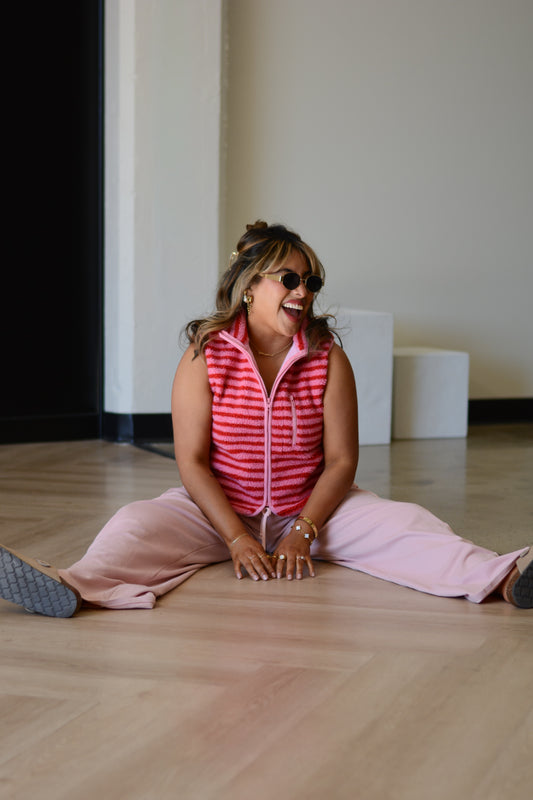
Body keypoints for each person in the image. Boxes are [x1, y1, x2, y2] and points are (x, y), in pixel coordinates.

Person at [0, 221, 531, 617]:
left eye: (312, 282)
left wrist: (303, 529)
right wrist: (235, 537)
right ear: (250, 285)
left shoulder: (327, 358)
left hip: (314, 512)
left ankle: (506, 576)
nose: (304, 292)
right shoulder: (206, 355)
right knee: (134, 524)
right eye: (290, 278)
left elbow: (342, 461)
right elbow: (192, 461)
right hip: (217, 513)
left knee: (407, 524)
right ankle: (73, 585)